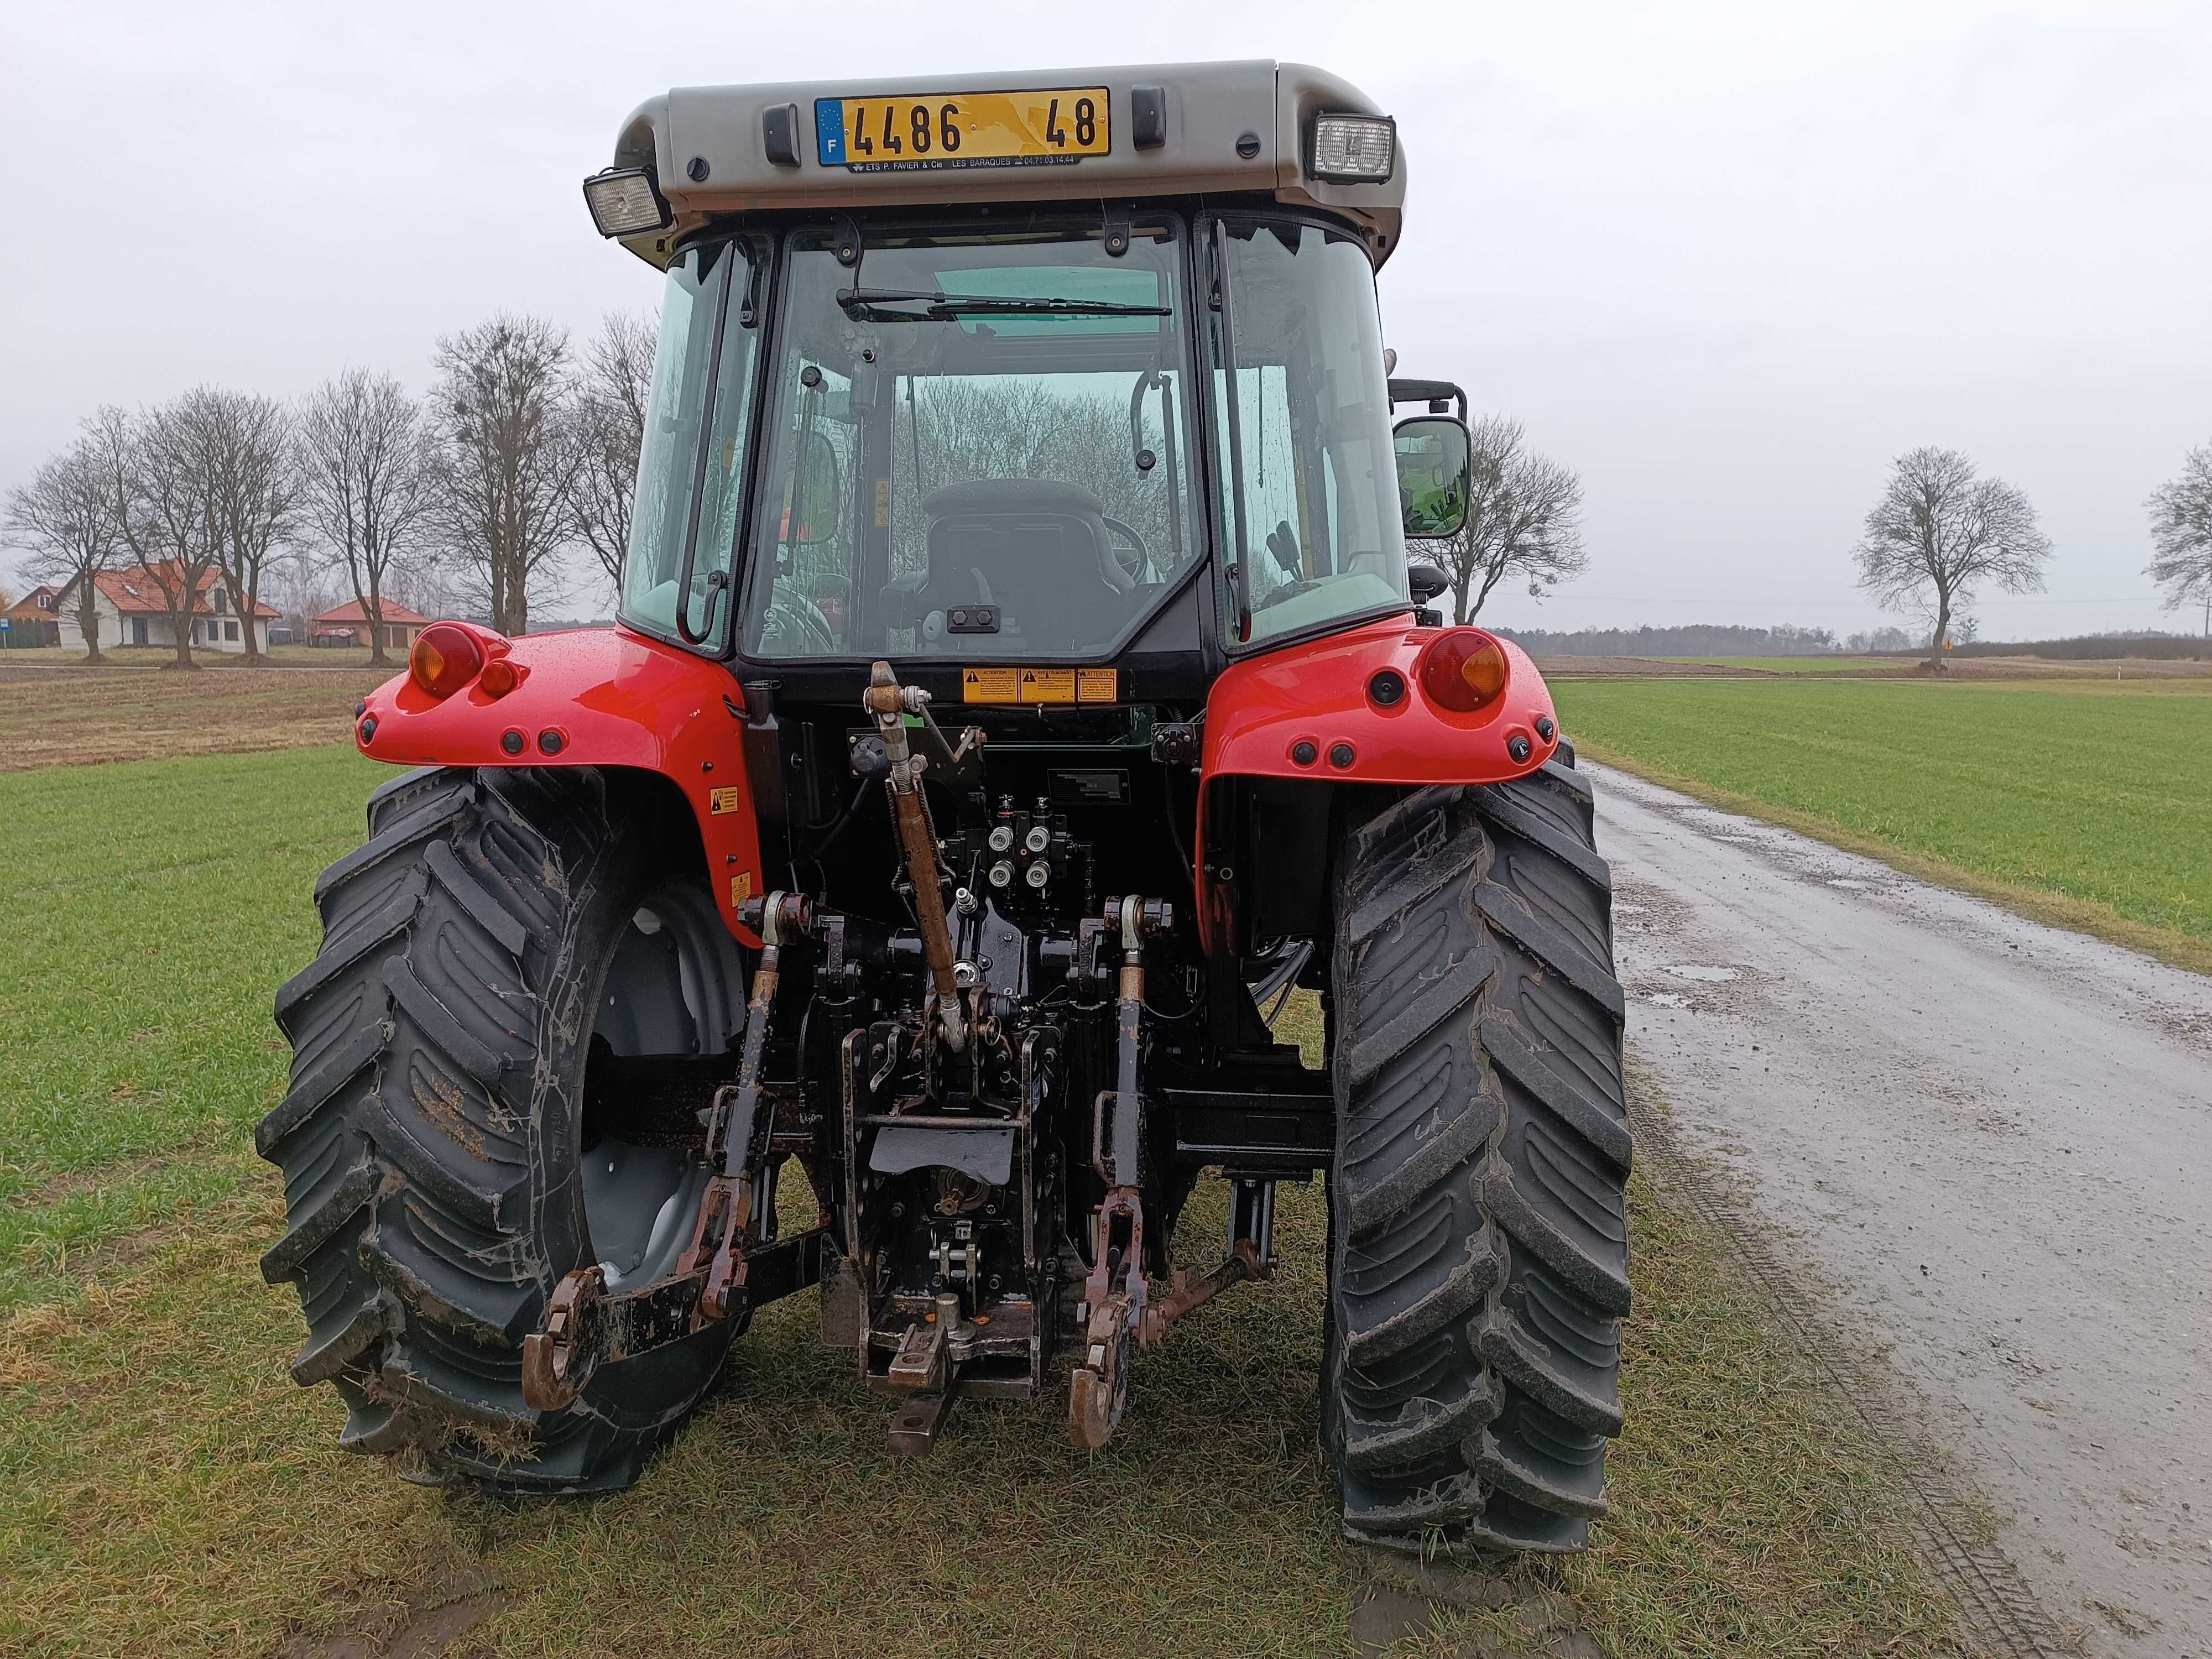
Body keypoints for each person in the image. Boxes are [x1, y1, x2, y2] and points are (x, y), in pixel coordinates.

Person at [806, 572, 851, 646]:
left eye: (836, 606)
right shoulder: (799, 636)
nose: (827, 612)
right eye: (822, 606)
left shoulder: (858, 648)